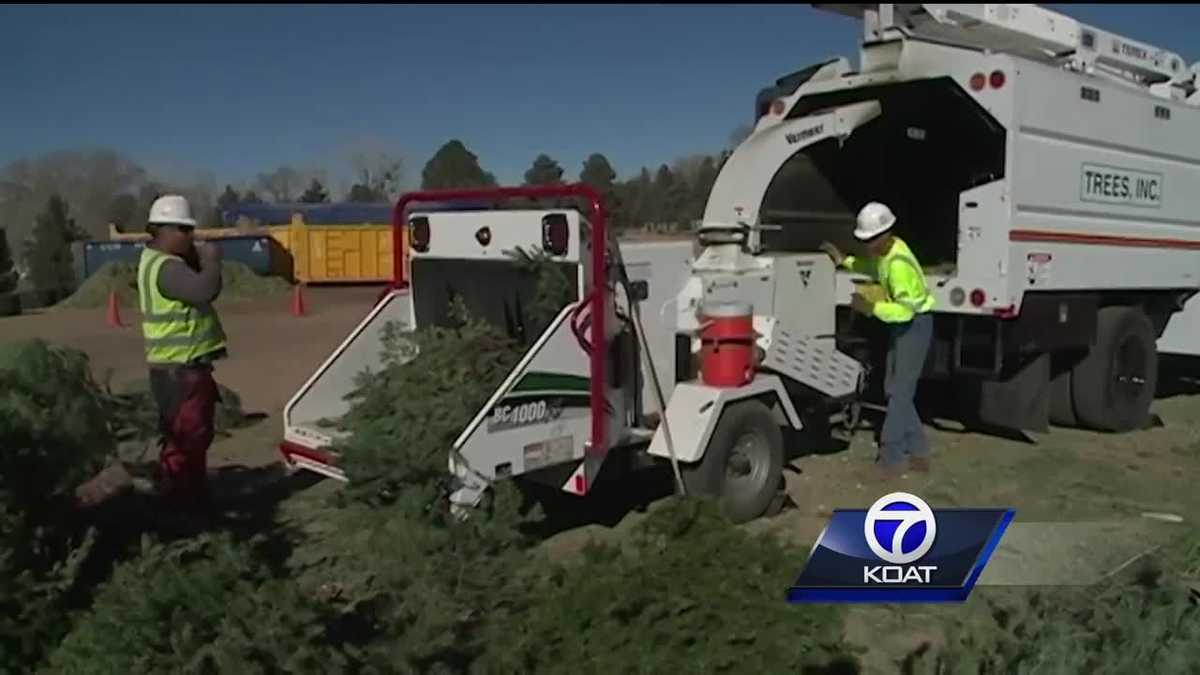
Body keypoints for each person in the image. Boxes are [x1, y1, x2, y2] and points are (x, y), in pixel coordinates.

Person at [820, 202, 935, 480]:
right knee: (896, 390)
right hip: (906, 327)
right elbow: (873, 267)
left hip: (913, 326)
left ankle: (891, 458)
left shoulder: (898, 265)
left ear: (886, 233)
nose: (868, 245)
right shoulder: (889, 252)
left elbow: (906, 311)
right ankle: (918, 452)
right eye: (865, 240)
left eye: (871, 239)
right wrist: (845, 261)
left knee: (898, 393)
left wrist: (871, 309)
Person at [137, 194, 227, 518]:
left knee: (182, 440)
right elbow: (205, 289)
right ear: (163, 231)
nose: (191, 237)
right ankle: (186, 508)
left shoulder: (153, 261)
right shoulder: (168, 270)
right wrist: (213, 259)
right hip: (181, 369)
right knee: (188, 442)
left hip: (171, 368)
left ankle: (185, 500)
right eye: (185, 231)